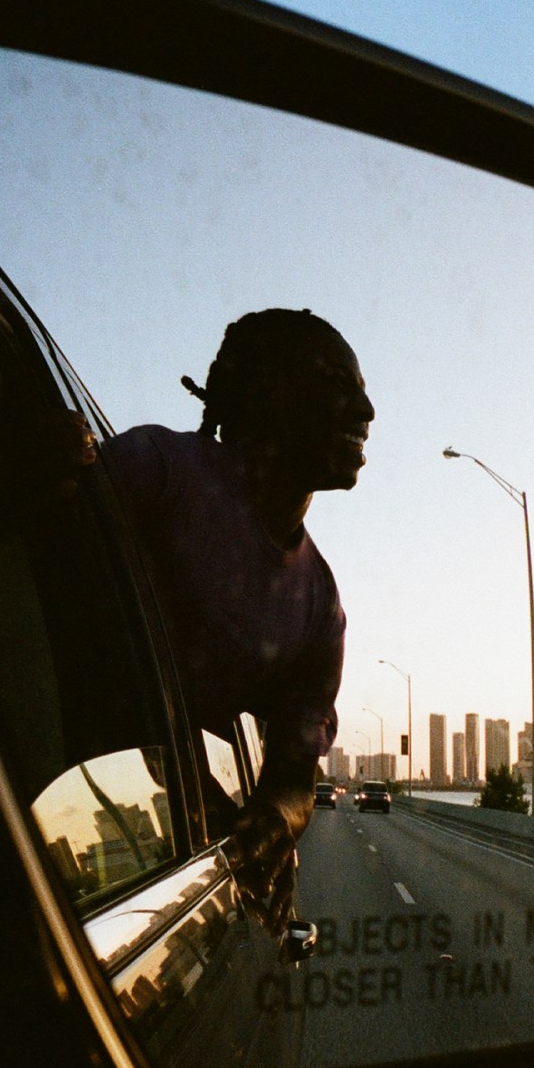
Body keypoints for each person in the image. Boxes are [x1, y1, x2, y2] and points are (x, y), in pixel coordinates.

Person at [102, 309, 374, 934]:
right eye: (336, 381)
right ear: (263, 390)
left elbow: (291, 780)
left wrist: (271, 825)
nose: (367, 410)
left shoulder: (320, 604)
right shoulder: (158, 472)